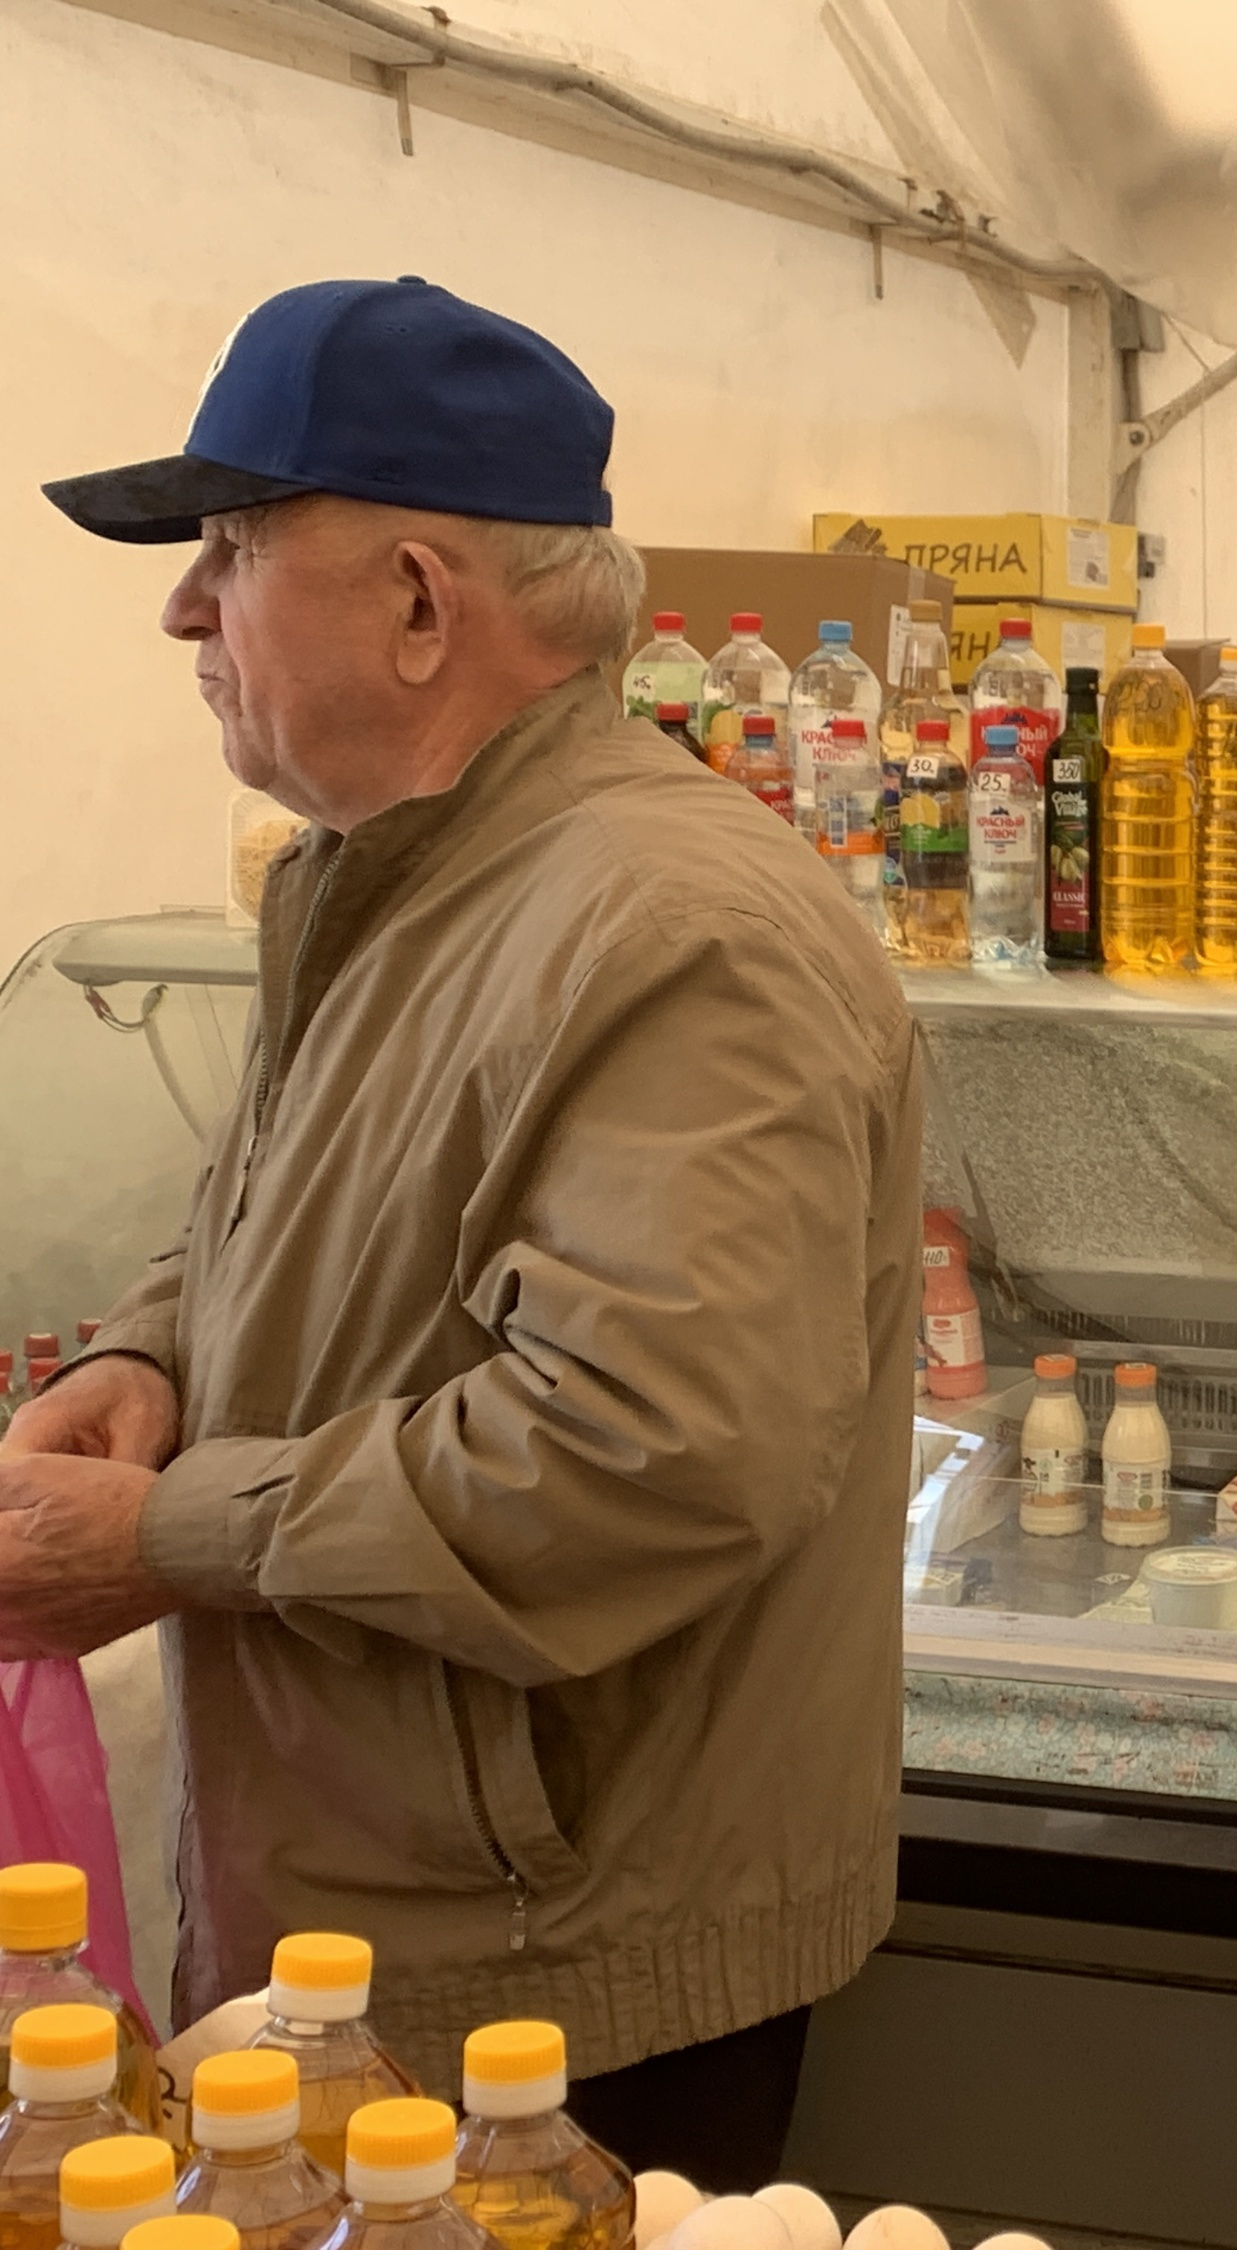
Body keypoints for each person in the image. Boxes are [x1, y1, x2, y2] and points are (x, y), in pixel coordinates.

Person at [3, 278, 922, 2186]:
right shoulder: (382, 869)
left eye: (233, 549)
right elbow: (305, 1201)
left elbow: (657, 1446)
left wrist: (171, 1535)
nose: (183, 608)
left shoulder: (673, 925)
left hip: (556, 1976)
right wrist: (149, 1354)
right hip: (397, 1919)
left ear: (422, 601)